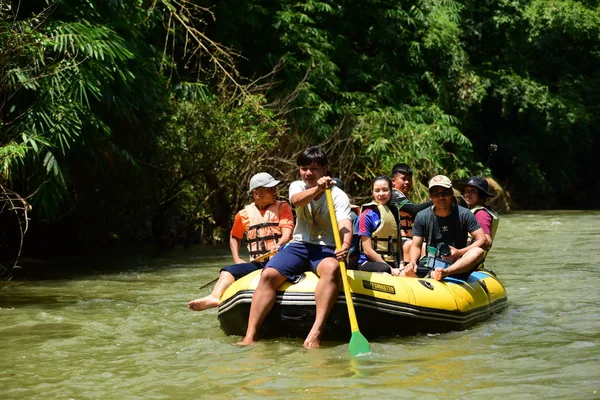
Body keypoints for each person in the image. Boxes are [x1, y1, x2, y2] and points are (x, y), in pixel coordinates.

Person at [238, 147, 353, 348]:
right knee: (267, 275)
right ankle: (250, 336)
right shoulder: (297, 186)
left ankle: (316, 332)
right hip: (299, 245)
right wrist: (318, 188)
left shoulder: (338, 195)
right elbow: (296, 201)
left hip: (326, 248)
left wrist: (345, 245)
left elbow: (344, 223)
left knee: (332, 269)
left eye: (314, 169)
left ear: (325, 169)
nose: (308, 173)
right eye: (304, 168)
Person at [188, 172, 294, 312]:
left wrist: (279, 244)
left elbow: (287, 233)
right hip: (258, 263)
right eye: (269, 189)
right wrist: (237, 258)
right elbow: (234, 236)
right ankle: (214, 296)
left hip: (280, 260)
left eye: (274, 188)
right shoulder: (243, 215)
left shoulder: (283, 207)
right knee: (226, 271)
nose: (275, 192)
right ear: (256, 194)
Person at [404, 175, 487, 281]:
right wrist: (412, 262)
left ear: (452, 193)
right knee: (404, 273)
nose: (440, 197)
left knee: (478, 251)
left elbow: (482, 239)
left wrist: (459, 252)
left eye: (445, 193)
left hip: (458, 264)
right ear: (430, 196)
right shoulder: (422, 216)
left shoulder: (464, 214)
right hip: (431, 262)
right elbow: (416, 246)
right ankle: (432, 275)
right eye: (436, 194)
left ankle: (446, 272)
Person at [349, 176, 405, 276]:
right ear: (373, 193)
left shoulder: (394, 212)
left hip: (392, 262)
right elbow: (367, 250)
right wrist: (391, 269)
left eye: (385, 190)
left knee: (407, 273)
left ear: (391, 191)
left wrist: (401, 265)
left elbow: (399, 244)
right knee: (385, 269)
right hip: (368, 262)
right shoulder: (366, 215)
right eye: (377, 191)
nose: (381, 194)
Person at [390, 163, 433, 262]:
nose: (407, 182)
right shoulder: (393, 195)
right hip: (399, 241)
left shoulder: (404, 197)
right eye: (403, 179)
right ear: (393, 181)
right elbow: (415, 210)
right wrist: (435, 201)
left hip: (407, 239)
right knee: (423, 247)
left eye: (409, 179)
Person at [457, 176, 500, 250]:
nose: (468, 193)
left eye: (473, 190)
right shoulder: (473, 210)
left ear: (481, 195)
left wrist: (460, 251)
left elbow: (487, 241)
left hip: (468, 258)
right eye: (466, 190)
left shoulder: (481, 214)